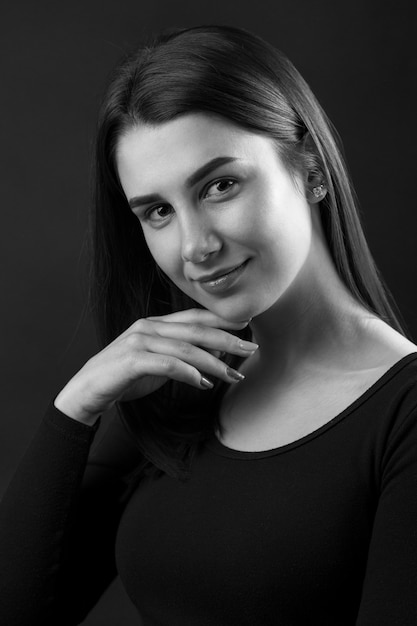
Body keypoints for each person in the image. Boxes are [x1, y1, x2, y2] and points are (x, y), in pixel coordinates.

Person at [0, 24, 416, 626]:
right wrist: (75, 407)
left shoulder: (405, 416)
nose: (195, 246)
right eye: (158, 211)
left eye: (220, 185)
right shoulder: (178, 387)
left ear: (312, 169)